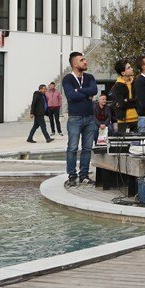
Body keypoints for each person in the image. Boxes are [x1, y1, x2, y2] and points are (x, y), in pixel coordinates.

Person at [61, 51, 104, 187]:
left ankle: (84, 175)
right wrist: (86, 95)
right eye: (82, 60)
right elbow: (70, 96)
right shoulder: (67, 79)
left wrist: (79, 91)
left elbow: (94, 91)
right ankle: (72, 176)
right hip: (75, 118)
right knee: (72, 148)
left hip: (90, 118)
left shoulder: (89, 77)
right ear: (74, 64)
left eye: (84, 60)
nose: (85, 62)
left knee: (87, 148)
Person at [109, 60, 139, 136]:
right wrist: (133, 101)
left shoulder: (135, 82)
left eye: (131, 67)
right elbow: (122, 104)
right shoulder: (117, 86)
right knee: (124, 145)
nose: (132, 69)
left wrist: (128, 100)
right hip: (123, 120)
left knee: (137, 144)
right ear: (123, 73)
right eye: (129, 68)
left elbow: (139, 100)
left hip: (137, 118)